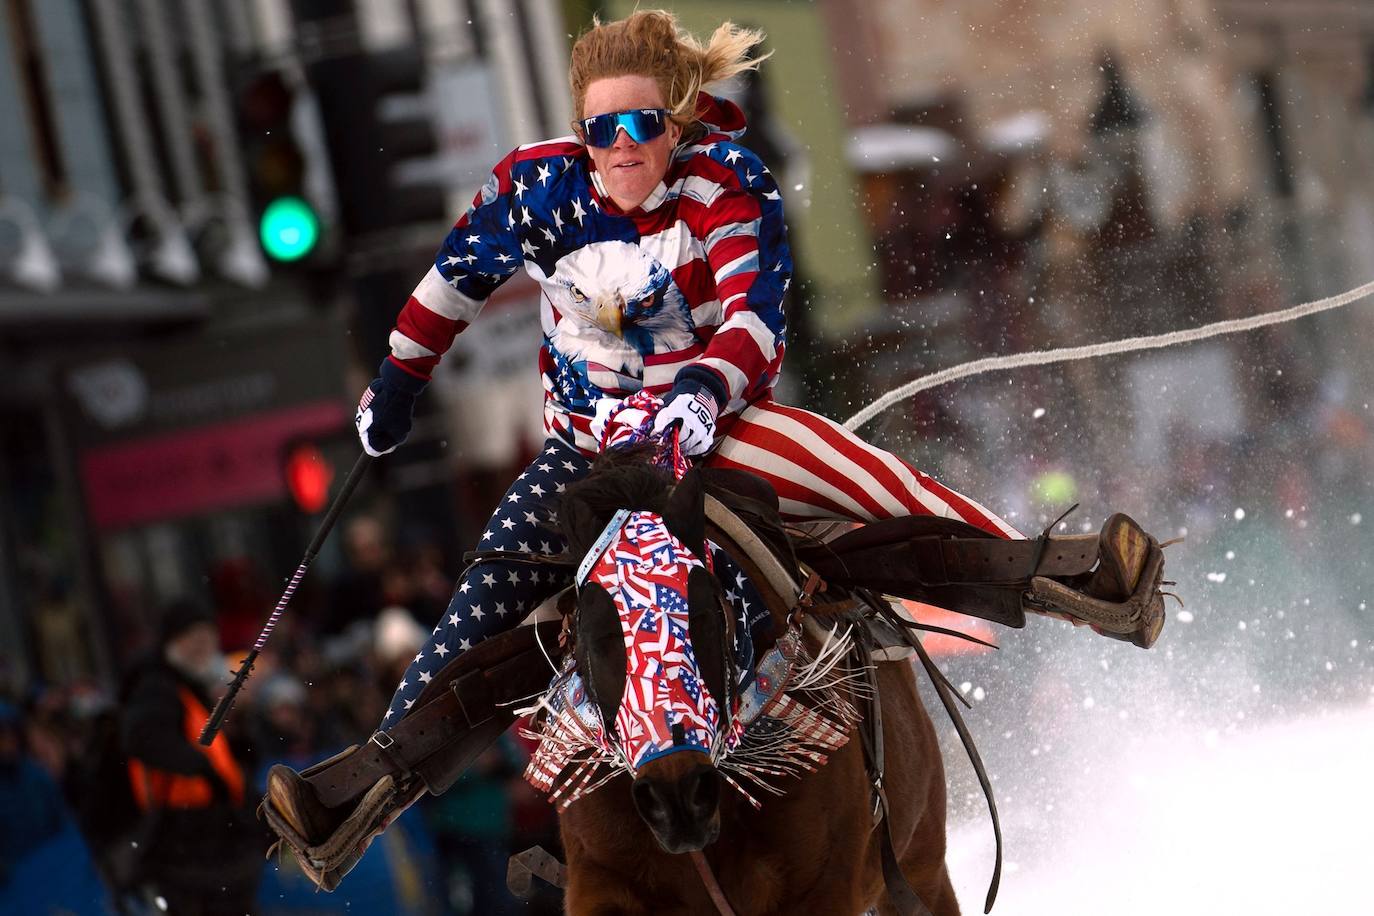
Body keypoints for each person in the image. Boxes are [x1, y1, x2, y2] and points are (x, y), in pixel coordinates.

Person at [267, 8, 1165, 885]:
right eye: (600, 128)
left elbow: (753, 315)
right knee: (486, 597)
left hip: (714, 430)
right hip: (583, 451)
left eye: (642, 125)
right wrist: (395, 384)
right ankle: (371, 782)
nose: (621, 147)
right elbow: (450, 283)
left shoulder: (725, 183)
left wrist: (701, 393)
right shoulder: (535, 188)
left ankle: (1065, 575)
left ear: (677, 120)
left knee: (871, 485)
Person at [120, 600, 264, 915]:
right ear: (173, 643)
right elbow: (142, 737)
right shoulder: (157, 688)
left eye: (209, 639)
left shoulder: (190, 688)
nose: (205, 648)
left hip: (214, 837)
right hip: (188, 838)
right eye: (194, 639)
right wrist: (205, 773)